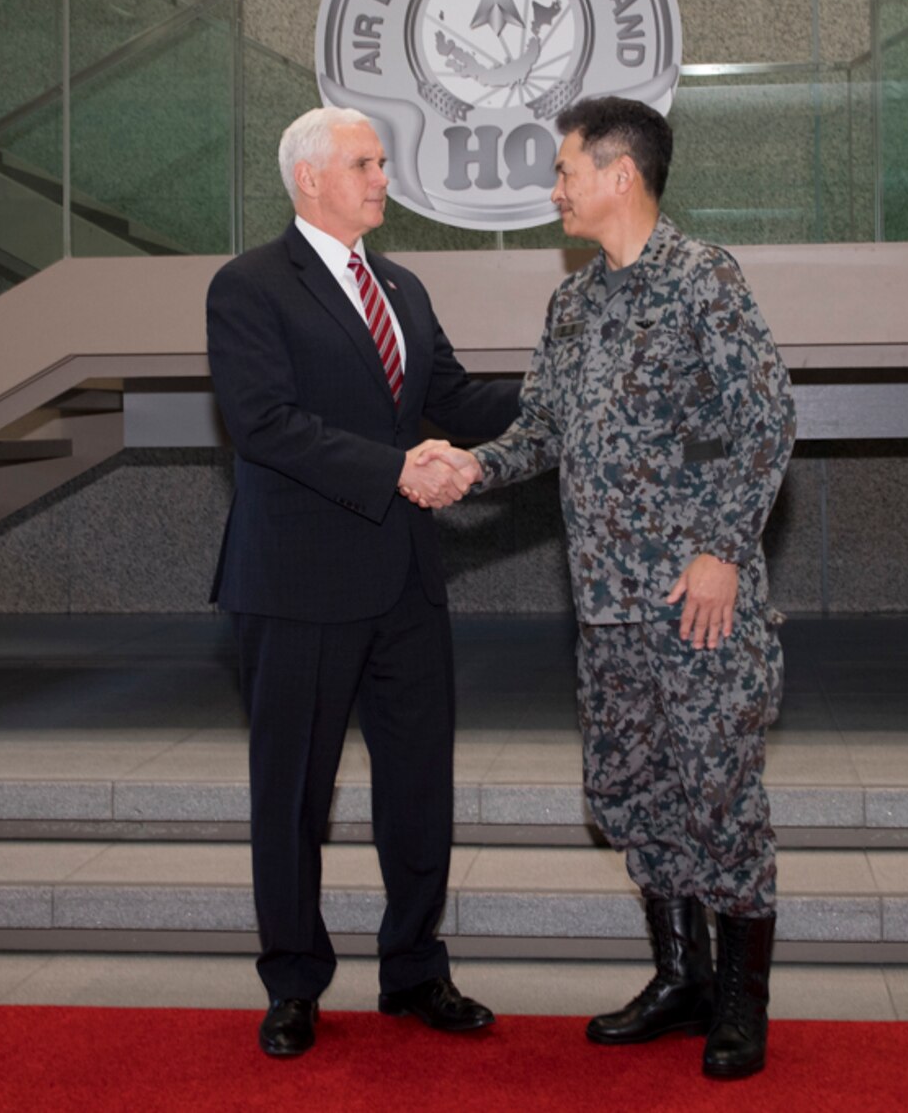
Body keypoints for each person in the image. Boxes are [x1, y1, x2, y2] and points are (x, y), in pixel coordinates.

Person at [420, 96, 796, 1080]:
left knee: (720, 797)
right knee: (633, 795)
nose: (554, 190)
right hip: (607, 607)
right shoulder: (572, 305)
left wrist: (721, 547)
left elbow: (766, 421)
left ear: (618, 174)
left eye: (565, 172)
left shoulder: (702, 280)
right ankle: (681, 980)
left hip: (695, 604)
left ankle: (741, 1003)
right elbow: (540, 432)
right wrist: (469, 466)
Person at [206, 106, 519, 1059]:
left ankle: (415, 968)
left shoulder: (403, 285)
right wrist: (396, 469)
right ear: (309, 178)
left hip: (407, 583)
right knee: (292, 796)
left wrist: (569, 384)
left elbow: (452, 400)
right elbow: (264, 423)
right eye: (366, 162)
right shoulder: (249, 286)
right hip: (297, 583)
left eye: (382, 161)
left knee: (420, 787)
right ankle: (294, 982)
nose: (385, 176)